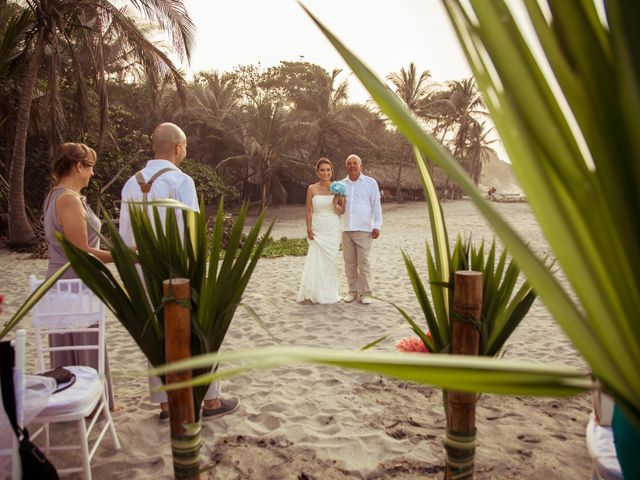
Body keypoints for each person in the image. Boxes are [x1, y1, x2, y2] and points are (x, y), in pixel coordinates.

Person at [119, 122, 238, 421]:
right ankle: (210, 400)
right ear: (178, 147)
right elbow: (192, 231)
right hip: (178, 269)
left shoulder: (130, 184)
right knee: (200, 329)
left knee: (156, 334)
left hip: (140, 269)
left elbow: (125, 237)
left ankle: (166, 405)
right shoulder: (181, 181)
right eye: (185, 146)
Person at [43, 142, 116, 408]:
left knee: (72, 343)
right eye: (91, 167)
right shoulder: (68, 200)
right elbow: (82, 252)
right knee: (86, 343)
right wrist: (122, 256)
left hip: (64, 282)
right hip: (74, 283)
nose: (93, 174)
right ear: (78, 166)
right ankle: (91, 403)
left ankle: (74, 400)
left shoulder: (56, 195)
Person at [297, 158, 345, 304]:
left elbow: (342, 210)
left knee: (330, 261)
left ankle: (329, 293)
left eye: (328, 170)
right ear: (317, 172)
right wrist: (309, 228)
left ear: (332, 171)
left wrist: (335, 202)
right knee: (316, 259)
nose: (326, 173)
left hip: (333, 227)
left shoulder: (338, 188)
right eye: (322, 170)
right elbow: (308, 210)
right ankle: (315, 291)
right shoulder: (311, 188)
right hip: (318, 227)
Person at [341, 154, 382, 305]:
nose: (352, 166)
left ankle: (366, 293)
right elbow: (337, 206)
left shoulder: (370, 183)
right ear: (346, 166)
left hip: (364, 229)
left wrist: (377, 225)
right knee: (349, 263)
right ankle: (352, 291)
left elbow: (376, 205)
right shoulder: (341, 184)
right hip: (346, 228)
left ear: (360, 166)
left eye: (355, 163)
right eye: (349, 164)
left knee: (364, 263)